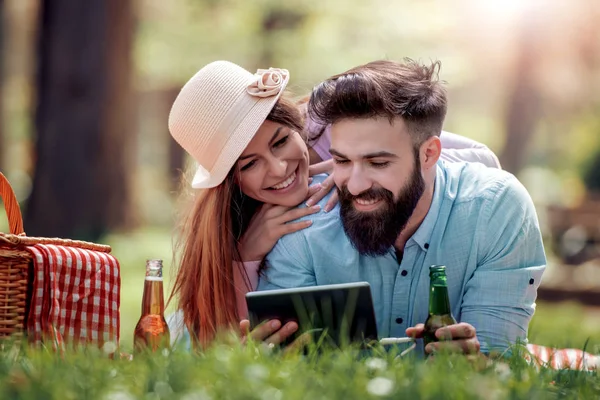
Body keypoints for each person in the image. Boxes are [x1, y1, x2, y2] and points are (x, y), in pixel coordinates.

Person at [166, 60, 501, 350]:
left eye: (281, 142)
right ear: (231, 182)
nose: (279, 168)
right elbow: (234, 337)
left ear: (296, 125)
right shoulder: (230, 223)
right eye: (249, 164)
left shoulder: (331, 132)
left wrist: (349, 164)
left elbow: (484, 160)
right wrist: (248, 256)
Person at [256, 59, 547, 356]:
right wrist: (268, 357)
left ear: (430, 154)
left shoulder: (495, 211)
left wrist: (477, 364)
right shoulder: (303, 224)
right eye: (342, 161)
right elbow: (286, 368)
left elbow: (498, 361)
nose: (355, 186)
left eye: (378, 163)